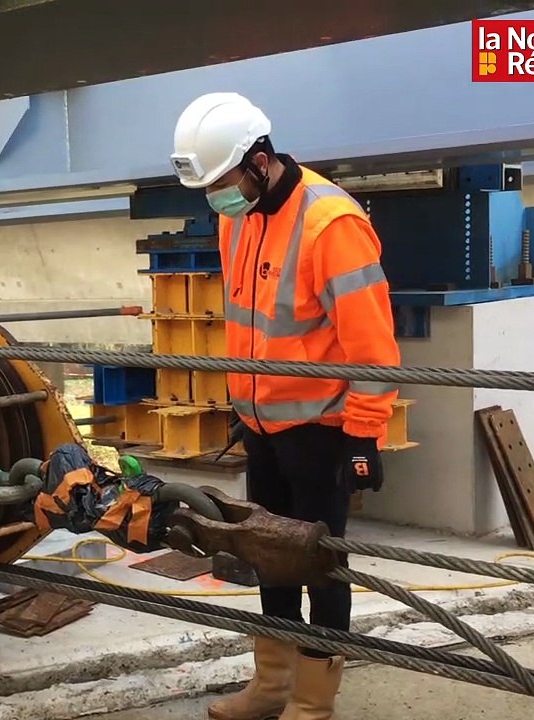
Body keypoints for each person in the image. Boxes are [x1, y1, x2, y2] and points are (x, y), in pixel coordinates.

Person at [169, 92, 401, 720]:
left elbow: (374, 347)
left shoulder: (333, 225)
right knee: (268, 552)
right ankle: (272, 685)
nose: (217, 197)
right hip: (261, 423)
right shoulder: (235, 214)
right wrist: (243, 402)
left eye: (223, 182)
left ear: (261, 160)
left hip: (321, 432)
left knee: (321, 564)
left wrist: (363, 436)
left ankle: (312, 702)